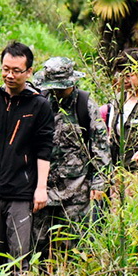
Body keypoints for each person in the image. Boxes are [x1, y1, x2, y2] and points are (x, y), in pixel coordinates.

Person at [0, 42, 55, 276]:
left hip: (21, 192)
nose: (9, 75)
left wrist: (41, 188)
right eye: (6, 69)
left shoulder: (39, 106)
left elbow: (44, 150)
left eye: (16, 70)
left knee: (19, 257)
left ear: (29, 72)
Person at [31, 57, 110, 253]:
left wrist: (100, 182)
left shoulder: (85, 104)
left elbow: (100, 145)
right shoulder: (41, 102)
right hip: (44, 185)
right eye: (53, 88)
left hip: (77, 186)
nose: (57, 92)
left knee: (74, 243)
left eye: (61, 88)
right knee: (39, 242)